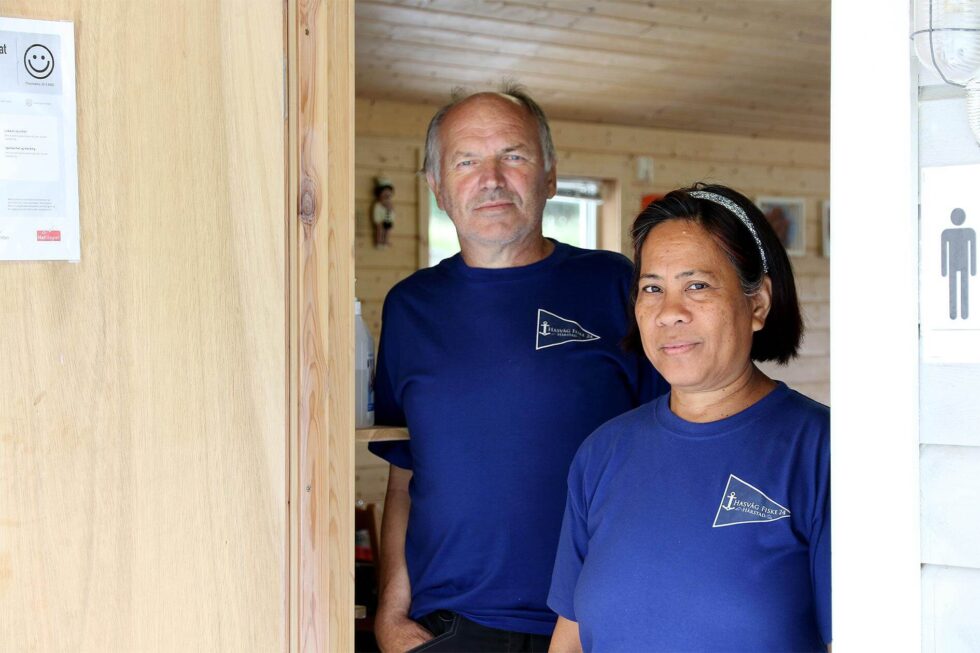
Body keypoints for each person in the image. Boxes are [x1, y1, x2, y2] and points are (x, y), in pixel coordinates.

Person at [369, 85, 665, 653]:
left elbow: (668, 448)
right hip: (451, 628)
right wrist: (390, 614)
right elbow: (404, 475)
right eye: (466, 161)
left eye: (514, 155)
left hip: (599, 623)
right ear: (436, 187)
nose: (492, 178)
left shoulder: (614, 285)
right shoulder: (409, 307)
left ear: (550, 176)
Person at [548, 184, 831, 652]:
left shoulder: (821, 451)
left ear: (757, 303)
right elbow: (570, 638)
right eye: (652, 288)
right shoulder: (603, 453)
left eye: (696, 285)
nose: (669, 313)